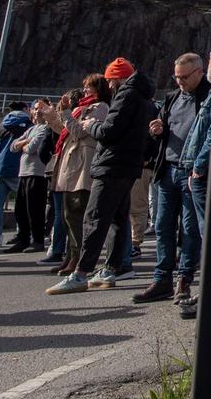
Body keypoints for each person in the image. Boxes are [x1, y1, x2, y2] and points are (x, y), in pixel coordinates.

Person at [48, 57, 152, 294]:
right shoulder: (141, 95)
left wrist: (90, 126)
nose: (109, 85)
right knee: (117, 218)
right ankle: (111, 268)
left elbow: (110, 130)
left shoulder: (126, 95)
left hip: (112, 164)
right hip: (127, 165)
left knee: (94, 217)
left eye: (109, 80)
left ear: (115, 78)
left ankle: (81, 273)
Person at [133, 53, 209, 304]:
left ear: (200, 71)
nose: (180, 82)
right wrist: (158, 131)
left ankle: (184, 279)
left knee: (189, 229)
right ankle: (161, 278)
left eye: (185, 77)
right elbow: (164, 128)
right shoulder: (172, 97)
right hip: (167, 168)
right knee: (164, 226)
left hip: (191, 172)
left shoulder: (209, 96)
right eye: (176, 77)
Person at [175, 46, 211, 320]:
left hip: (204, 172)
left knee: (209, 235)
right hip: (197, 169)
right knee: (202, 232)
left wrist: (199, 169)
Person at [45, 86, 103, 279]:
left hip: (81, 170)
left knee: (77, 217)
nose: (86, 93)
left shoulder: (99, 108)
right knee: (68, 217)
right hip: (70, 166)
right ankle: (70, 255)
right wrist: (56, 115)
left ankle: (77, 258)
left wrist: (66, 113)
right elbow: (65, 131)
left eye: (89, 89)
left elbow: (77, 132)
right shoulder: (80, 111)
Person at [0, 101, 31, 249]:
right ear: (25, 109)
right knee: (23, 204)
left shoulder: (0, 126)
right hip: (19, 169)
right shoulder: (28, 125)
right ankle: (20, 233)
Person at [8, 99, 54, 252]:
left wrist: (24, 144)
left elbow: (33, 148)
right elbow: (12, 147)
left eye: (40, 109)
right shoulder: (31, 129)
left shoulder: (45, 129)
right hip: (24, 172)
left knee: (35, 210)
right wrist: (25, 142)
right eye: (35, 109)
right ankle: (23, 238)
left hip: (37, 173)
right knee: (20, 209)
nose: (37, 111)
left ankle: (38, 240)